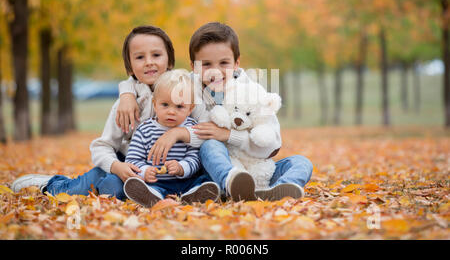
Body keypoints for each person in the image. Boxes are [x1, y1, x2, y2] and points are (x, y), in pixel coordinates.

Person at [117, 22, 314, 201]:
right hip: (216, 169)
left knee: (301, 162)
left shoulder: (253, 91)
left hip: (259, 167)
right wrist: (126, 92)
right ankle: (231, 183)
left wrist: (229, 135)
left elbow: (272, 146)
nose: (215, 71)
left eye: (224, 63)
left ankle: (277, 190)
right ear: (193, 66)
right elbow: (159, 81)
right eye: (207, 64)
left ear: (237, 63)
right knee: (210, 145)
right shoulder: (187, 85)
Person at [11, 25, 208, 201]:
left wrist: (177, 133)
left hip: (180, 169)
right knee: (106, 185)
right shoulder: (125, 104)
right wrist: (116, 166)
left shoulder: (187, 91)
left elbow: (205, 135)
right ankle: (52, 184)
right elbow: (102, 146)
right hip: (132, 166)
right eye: (140, 57)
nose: (149, 62)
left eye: (156, 55)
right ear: (130, 66)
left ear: (170, 60)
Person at [123, 69, 220, 207]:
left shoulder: (191, 129)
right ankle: (152, 196)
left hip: (186, 180)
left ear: (190, 109)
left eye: (179, 106)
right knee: (149, 187)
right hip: (156, 182)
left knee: (203, 180)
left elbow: (195, 158)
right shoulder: (145, 130)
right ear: (155, 104)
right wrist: (145, 171)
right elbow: (132, 159)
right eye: (165, 105)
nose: (171, 111)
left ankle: (192, 196)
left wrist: (181, 167)